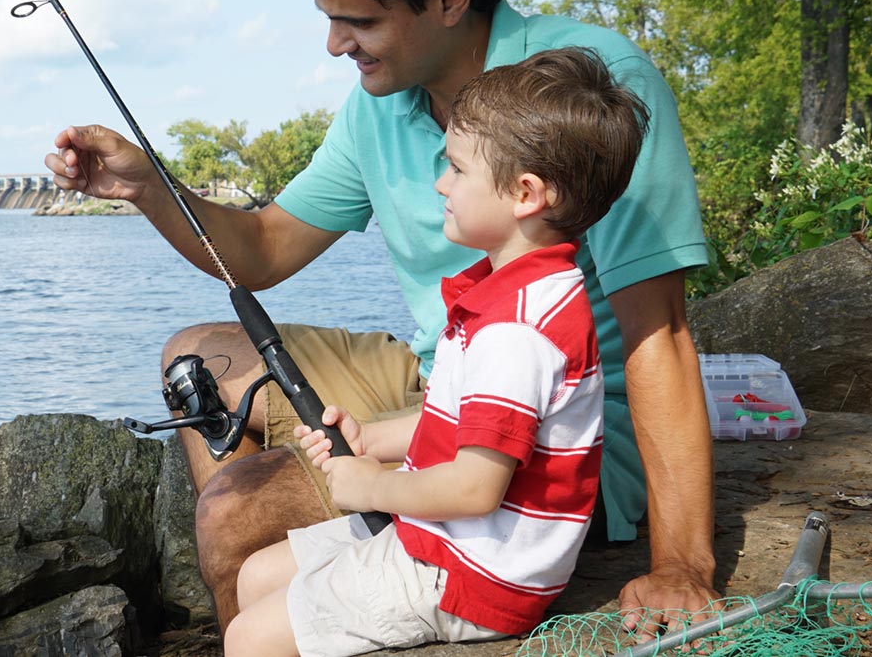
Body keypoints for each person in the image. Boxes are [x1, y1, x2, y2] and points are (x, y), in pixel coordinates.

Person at [43, 0, 719, 635]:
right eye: (329, 17)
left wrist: (680, 564)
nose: (335, 45)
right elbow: (260, 249)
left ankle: (274, 608)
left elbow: (659, 333)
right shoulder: (378, 107)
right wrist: (147, 184)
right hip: (445, 386)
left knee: (233, 516)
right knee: (198, 356)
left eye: (358, 21)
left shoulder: (589, 91)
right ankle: (307, 595)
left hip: (540, 443)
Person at [222, 47, 646, 657]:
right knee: (255, 575)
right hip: (451, 540)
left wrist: (371, 487)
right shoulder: (515, 293)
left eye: (457, 168)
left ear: (525, 194)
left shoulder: (517, 331)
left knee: (248, 639)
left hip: (471, 572)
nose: (441, 183)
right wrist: (371, 439)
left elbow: (475, 489)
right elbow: (470, 427)